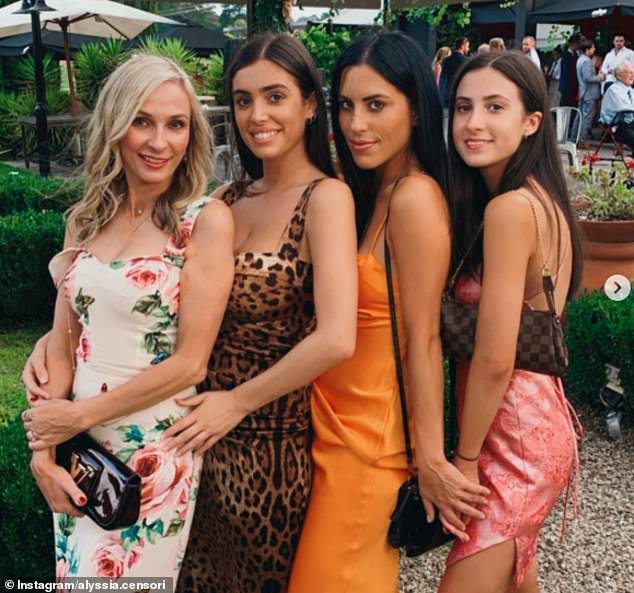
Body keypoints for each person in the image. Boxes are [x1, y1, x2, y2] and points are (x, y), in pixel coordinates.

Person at [288, 31, 489, 593]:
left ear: (418, 111)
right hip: (331, 426)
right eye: (347, 105)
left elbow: (423, 340)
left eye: (377, 106)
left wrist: (429, 458)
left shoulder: (414, 198)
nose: (356, 125)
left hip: (369, 445)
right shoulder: (370, 190)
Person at [21, 55, 235, 578]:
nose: (159, 141)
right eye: (142, 120)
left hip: (152, 453)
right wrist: (44, 458)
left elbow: (190, 364)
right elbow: (64, 345)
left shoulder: (203, 222)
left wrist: (79, 417)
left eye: (176, 124)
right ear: (116, 124)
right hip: (83, 457)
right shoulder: (86, 219)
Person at [163, 33, 357, 593]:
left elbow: (337, 337)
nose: (257, 114)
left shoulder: (325, 198)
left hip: (270, 450)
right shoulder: (227, 197)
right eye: (244, 99)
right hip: (198, 442)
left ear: (310, 104)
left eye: (275, 96)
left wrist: (236, 404)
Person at [441, 51, 582, 593]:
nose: (473, 123)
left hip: (511, 439)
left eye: (494, 107)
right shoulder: (543, 201)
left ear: (531, 122)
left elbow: (497, 355)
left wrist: (464, 458)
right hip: (540, 419)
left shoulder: (510, 211)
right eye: (463, 107)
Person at [600, 62, 634, 151]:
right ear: (619, 76)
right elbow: (625, 108)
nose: (632, 76)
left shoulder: (630, 90)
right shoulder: (614, 90)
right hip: (617, 125)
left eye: (633, 73)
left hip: (629, 123)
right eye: (629, 73)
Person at [576, 39, 604, 145]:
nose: (594, 50)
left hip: (583, 91)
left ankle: (575, 137)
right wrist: (600, 77)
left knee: (580, 116)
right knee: (587, 117)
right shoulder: (587, 61)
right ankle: (582, 140)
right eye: (592, 48)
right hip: (589, 92)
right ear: (588, 49)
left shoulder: (580, 59)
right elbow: (588, 77)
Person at [440, 37, 471, 108]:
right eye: (467, 46)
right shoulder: (466, 61)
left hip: (447, 93)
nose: (468, 49)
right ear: (462, 46)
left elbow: (443, 78)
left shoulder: (446, 60)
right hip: (460, 92)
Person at [559, 33, 581, 107]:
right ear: (574, 43)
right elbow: (567, 72)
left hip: (573, 86)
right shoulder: (566, 56)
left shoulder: (576, 55)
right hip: (567, 86)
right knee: (566, 106)